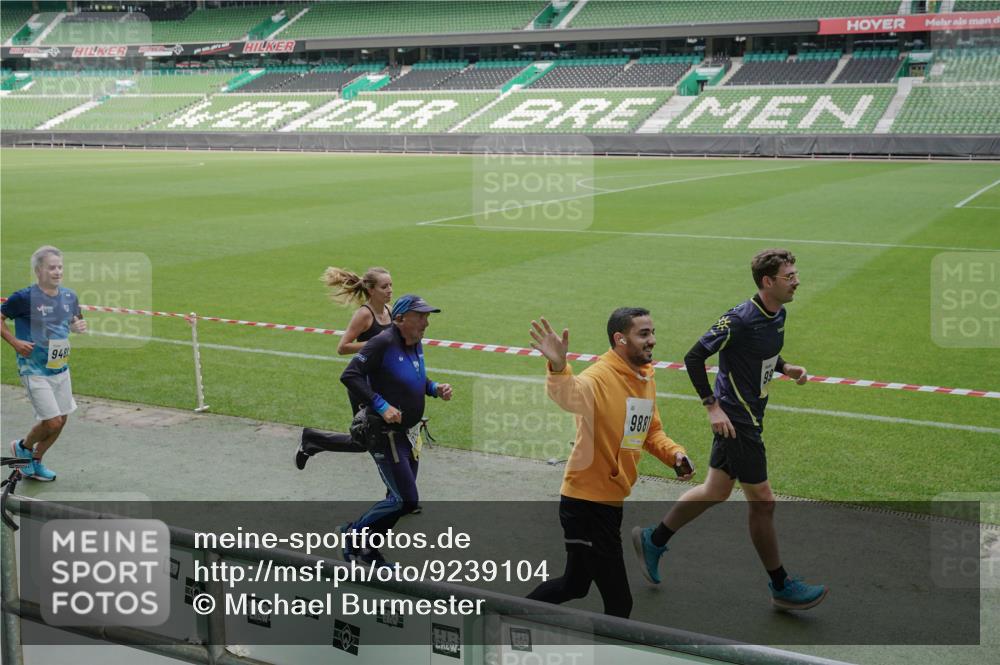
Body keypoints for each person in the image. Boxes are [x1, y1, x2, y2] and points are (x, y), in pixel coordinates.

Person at [632, 248, 828, 611]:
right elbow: (694, 357)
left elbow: (761, 352)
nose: (797, 281)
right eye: (789, 276)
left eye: (795, 274)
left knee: (716, 490)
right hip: (737, 421)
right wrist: (712, 406)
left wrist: (785, 367)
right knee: (763, 501)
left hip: (750, 414)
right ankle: (781, 585)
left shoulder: (778, 313)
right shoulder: (739, 318)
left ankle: (653, 540)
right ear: (768, 281)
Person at [525, 309, 693, 618]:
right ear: (620, 339)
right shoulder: (599, 378)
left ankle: (503, 617)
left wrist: (674, 455)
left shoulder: (644, 377)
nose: (652, 340)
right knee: (619, 604)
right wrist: (559, 367)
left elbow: (650, 431)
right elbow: (570, 395)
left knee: (574, 585)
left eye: (652, 332)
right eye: (643, 334)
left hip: (608, 502)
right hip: (586, 505)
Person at [338, 294, 452, 565]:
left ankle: (369, 550)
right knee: (406, 500)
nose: (426, 322)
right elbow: (350, 375)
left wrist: (434, 388)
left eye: (427, 316)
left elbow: (414, 376)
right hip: (385, 435)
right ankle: (353, 534)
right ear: (400, 319)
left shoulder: (414, 341)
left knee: (397, 498)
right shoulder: (383, 342)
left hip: (409, 434)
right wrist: (381, 405)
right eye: (420, 316)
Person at [1, 246, 87, 482]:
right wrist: (15, 342)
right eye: (52, 267)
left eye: (60, 267)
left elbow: (74, 321)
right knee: (52, 422)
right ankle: (22, 447)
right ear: (39, 271)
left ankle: (35, 461)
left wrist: (78, 326)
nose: (57, 271)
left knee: (63, 419)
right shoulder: (23, 298)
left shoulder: (69, 296)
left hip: (60, 368)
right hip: (34, 369)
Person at [295, 266, 393, 469]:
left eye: (391, 285)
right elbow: (342, 347)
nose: (390, 290)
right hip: (361, 383)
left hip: (382, 381)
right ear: (371, 290)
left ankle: (312, 441)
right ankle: (311, 440)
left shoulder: (390, 311)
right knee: (363, 440)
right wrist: (375, 343)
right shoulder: (364, 315)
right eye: (384, 286)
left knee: (377, 434)